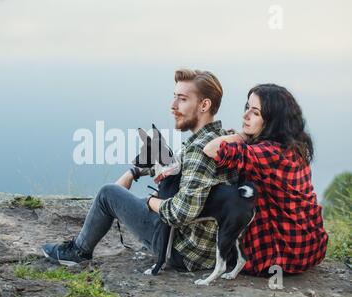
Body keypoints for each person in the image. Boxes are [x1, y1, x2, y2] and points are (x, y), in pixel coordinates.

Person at [42, 68, 238, 272]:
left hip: (182, 251)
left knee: (107, 194)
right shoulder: (220, 139)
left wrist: (150, 202)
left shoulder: (200, 151)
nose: (173, 106)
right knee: (128, 196)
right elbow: (177, 164)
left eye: (182, 99)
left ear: (204, 105)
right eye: (174, 97)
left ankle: (78, 252)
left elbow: (181, 213)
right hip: (209, 249)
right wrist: (133, 173)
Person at [203, 84, 328, 275]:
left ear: (272, 121)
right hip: (310, 247)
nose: (245, 116)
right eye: (247, 108)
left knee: (144, 210)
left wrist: (241, 135)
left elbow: (211, 149)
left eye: (255, 113)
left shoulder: (269, 153)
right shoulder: (292, 148)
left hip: (280, 256)